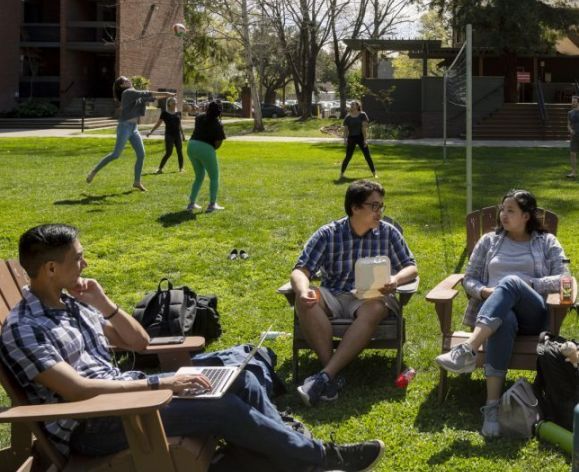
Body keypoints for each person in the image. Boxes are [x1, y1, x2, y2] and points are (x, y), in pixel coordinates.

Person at [0, 224, 385, 472]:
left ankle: (289, 453)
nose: (85, 262)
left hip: (127, 399)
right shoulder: (26, 327)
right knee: (220, 406)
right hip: (98, 424)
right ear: (50, 269)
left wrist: (105, 304)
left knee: (240, 379)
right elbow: (78, 391)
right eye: (77, 258)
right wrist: (161, 386)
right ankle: (320, 458)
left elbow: (139, 342)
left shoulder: (74, 305)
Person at [435, 189, 570, 438]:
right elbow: (470, 279)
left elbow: (565, 278)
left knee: (510, 282)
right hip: (494, 316)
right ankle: (493, 410)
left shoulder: (546, 242)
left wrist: (527, 284)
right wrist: (486, 292)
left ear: (526, 216)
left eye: (511, 211)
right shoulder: (489, 241)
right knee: (504, 319)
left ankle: (468, 349)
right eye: (502, 209)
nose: (503, 215)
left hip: (533, 316)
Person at [291, 180, 418, 407]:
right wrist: (302, 291)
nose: (379, 212)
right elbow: (301, 270)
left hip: (369, 297)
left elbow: (411, 266)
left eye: (381, 207)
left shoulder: (388, 234)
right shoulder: (329, 234)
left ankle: (325, 376)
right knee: (307, 300)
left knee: (376, 307)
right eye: (374, 206)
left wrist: (395, 279)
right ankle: (330, 375)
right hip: (334, 293)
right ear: (355, 207)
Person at [86, 76, 175, 192]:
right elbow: (147, 92)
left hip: (134, 128)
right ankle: (94, 171)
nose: (129, 80)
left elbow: (150, 96)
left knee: (141, 154)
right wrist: (167, 93)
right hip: (124, 127)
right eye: (126, 80)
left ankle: (137, 182)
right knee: (116, 154)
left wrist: (167, 96)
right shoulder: (128, 93)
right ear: (122, 86)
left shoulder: (135, 94)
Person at [187, 101, 226, 213]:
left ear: (208, 108)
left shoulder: (199, 118)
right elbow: (218, 143)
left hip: (191, 145)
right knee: (214, 177)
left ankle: (191, 203)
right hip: (206, 147)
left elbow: (200, 119)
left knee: (199, 176)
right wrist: (209, 150)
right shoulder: (218, 124)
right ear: (219, 112)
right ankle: (212, 205)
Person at [147, 97, 185, 174]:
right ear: (169, 103)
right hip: (169, 135)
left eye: (175, 101)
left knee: (179, 152)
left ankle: (181, 169)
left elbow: (179, 125)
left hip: (177, 135)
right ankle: (160, 169)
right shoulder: (164, 113)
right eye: (173, 102)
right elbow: (158, 124)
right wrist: (151, 132)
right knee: (169, 152)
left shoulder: (178, 113)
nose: (175, 103)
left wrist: (183, 134)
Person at [340, 101, 377, 180]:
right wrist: (345, 139)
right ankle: (341, 174)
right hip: (351, 138)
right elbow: (346, 130)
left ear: (357, 106)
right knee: (348, 157)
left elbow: (364, 128)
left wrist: (365, 139)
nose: (351, 106)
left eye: (353, 105)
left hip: (360, 137)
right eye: (351, 105)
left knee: (367, 156)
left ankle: (374, 174)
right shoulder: (348, 117)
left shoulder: (362, 115)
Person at [566, 95, 578, 179]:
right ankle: (573, 172)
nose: (572, 103)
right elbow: (568, 124)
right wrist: (570, 130)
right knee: (572, 154)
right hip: (574, 136)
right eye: (572, 101)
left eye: (574, 101)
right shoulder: (570, 113)